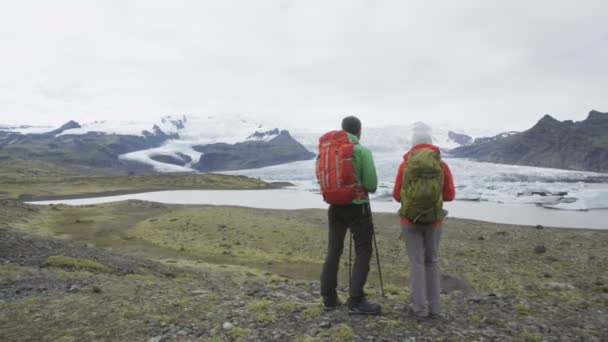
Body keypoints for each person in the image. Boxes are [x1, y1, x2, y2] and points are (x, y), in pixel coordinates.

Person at [319, 116, 381, 315]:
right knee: (363, 251)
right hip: (357, 207)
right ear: (359, 131)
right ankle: (356, 300)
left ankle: (329, 298)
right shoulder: (361, 151)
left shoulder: (328, 150)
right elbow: (371, 185)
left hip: (335, 206)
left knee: (334, 250)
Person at [392, 130, 455, 320]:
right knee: (432, 261)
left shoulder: (406, 165)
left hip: (409, 221)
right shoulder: (441, 165)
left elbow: (396, 195)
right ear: (430, 144)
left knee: (416, 263)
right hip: (434, 221)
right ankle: (435, 309)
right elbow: (450, 195)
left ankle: (419, 309)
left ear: (413, 145)